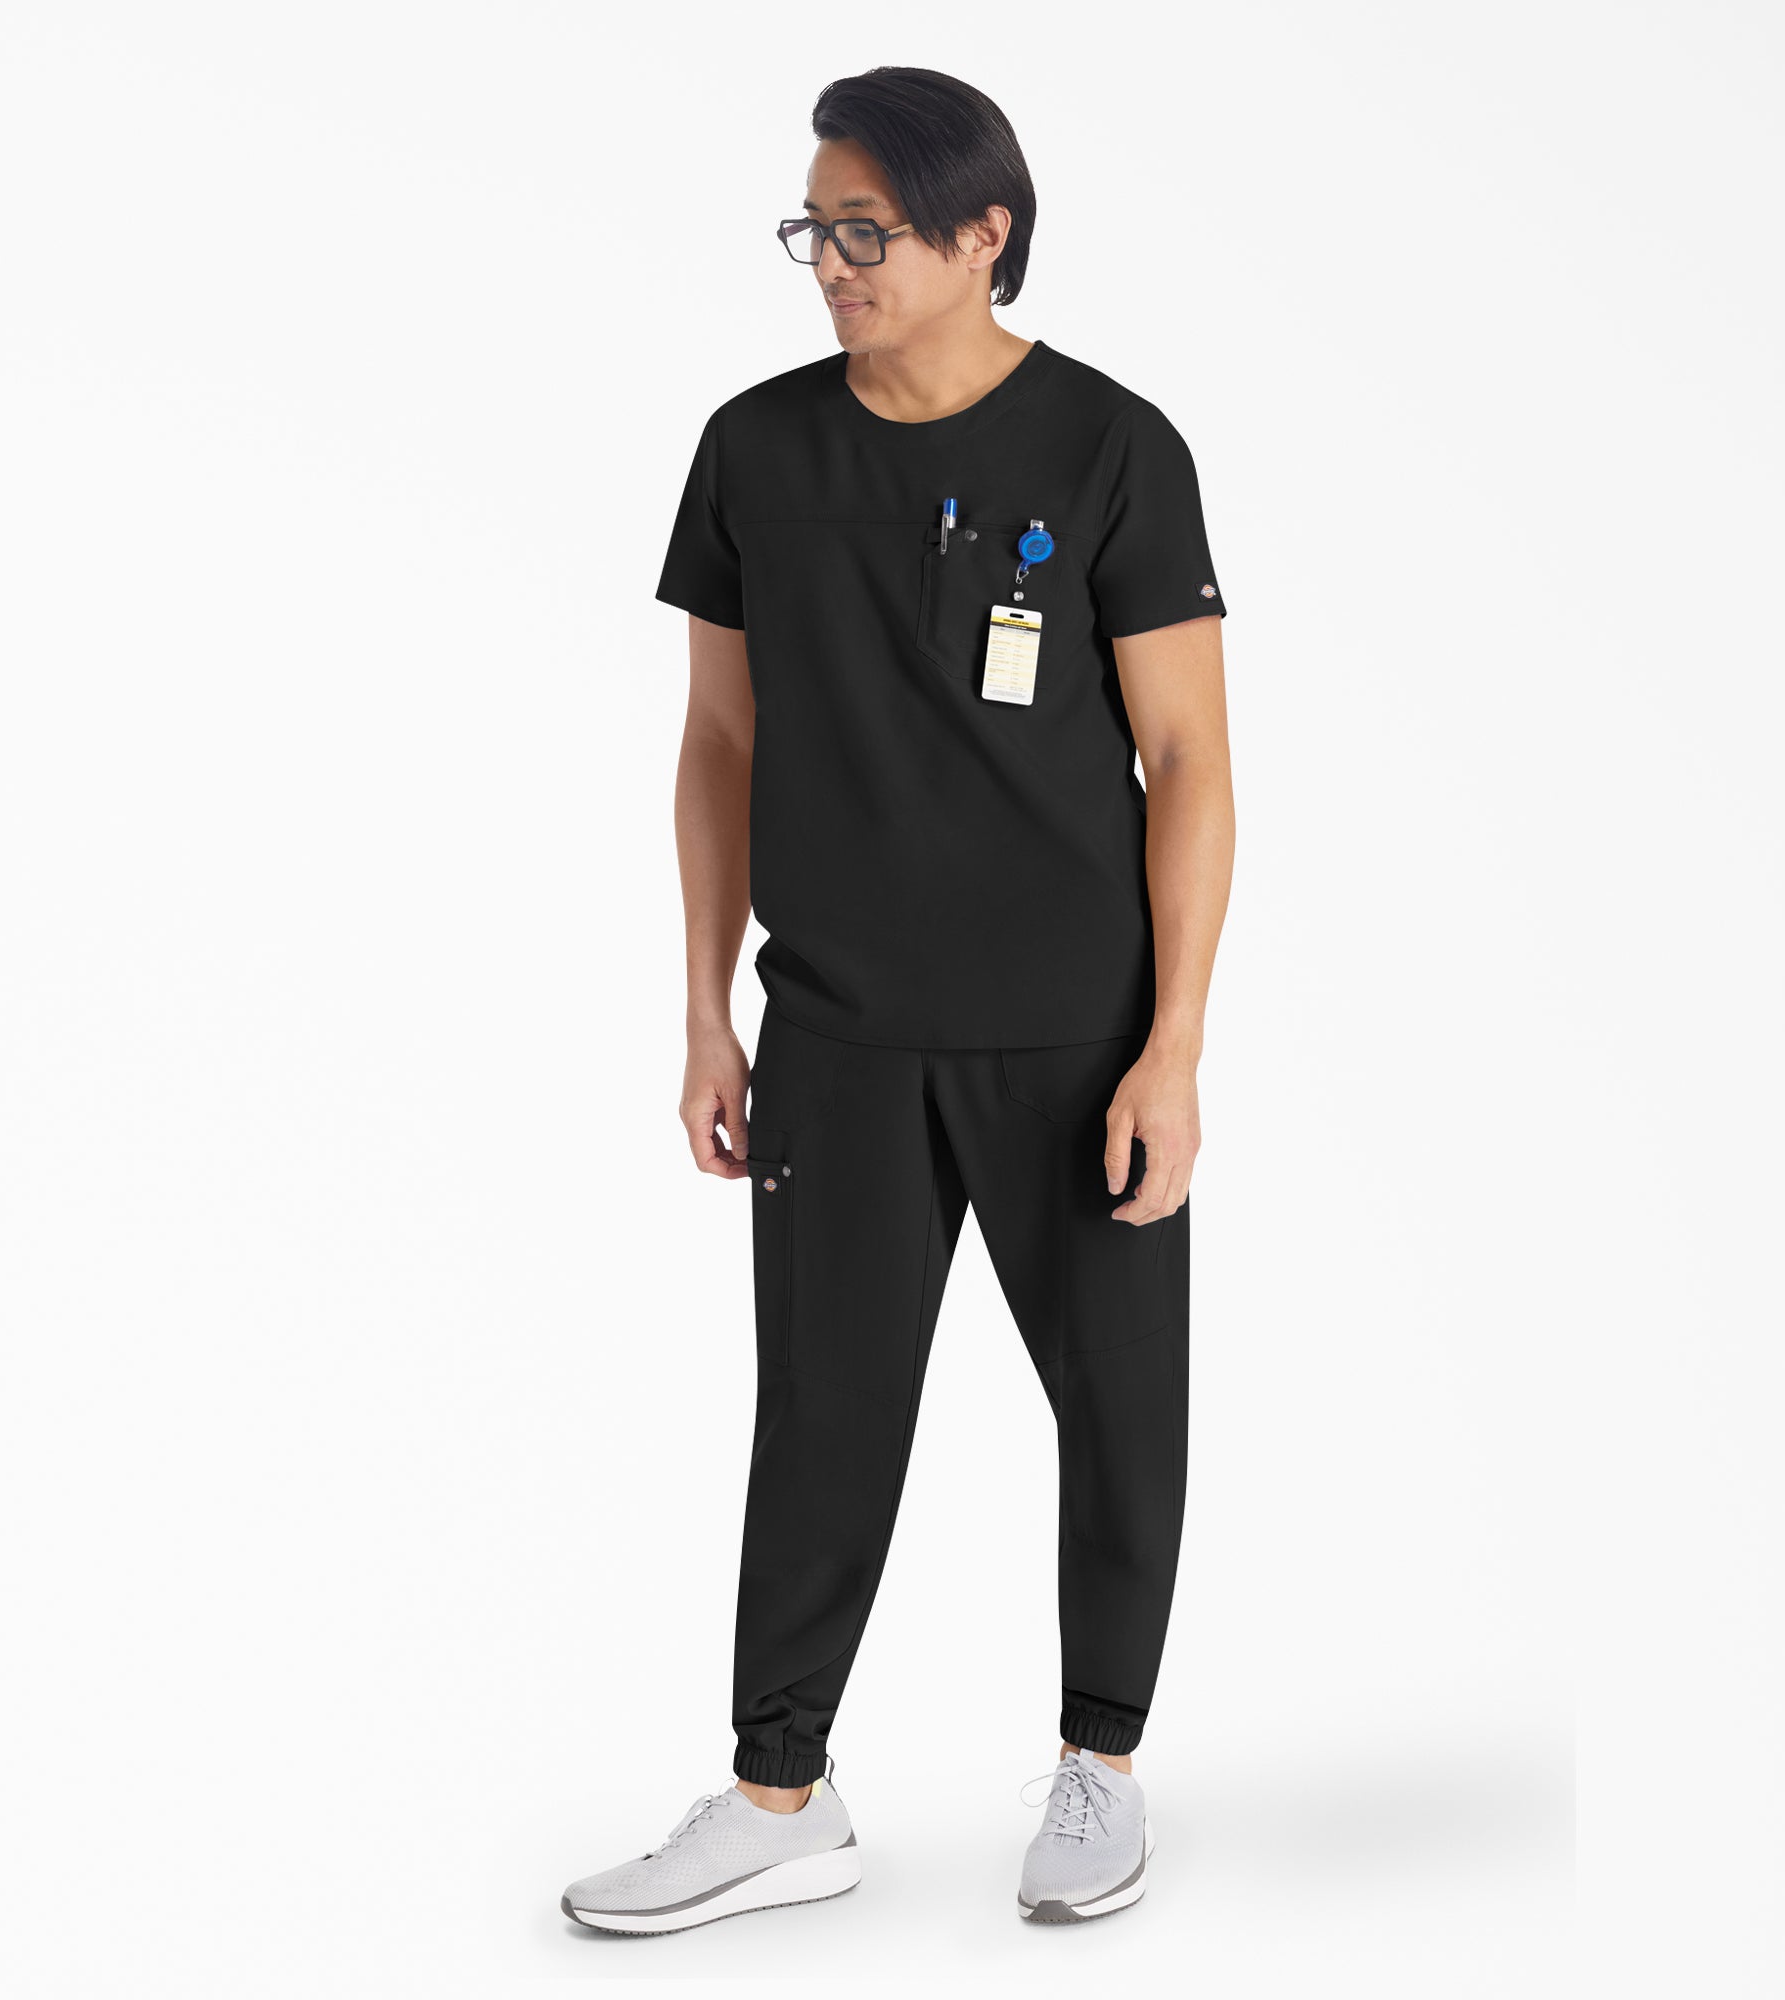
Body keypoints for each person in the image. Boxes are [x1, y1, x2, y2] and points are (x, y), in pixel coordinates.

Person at [562, 65, 1235, 1935]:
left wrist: (1174, 1048)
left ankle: (1100, 1765)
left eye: (867, 230)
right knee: (822, 1411)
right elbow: (717, 741)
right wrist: (708, 1014)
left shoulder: (1111, 449)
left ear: (982, 234)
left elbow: (1191, 761)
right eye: (815, 228)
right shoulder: (756, 451)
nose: (833, 262)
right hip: (839, 1030)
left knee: (1118, 1405)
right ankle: (780, 1793)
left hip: (1075, 1033)